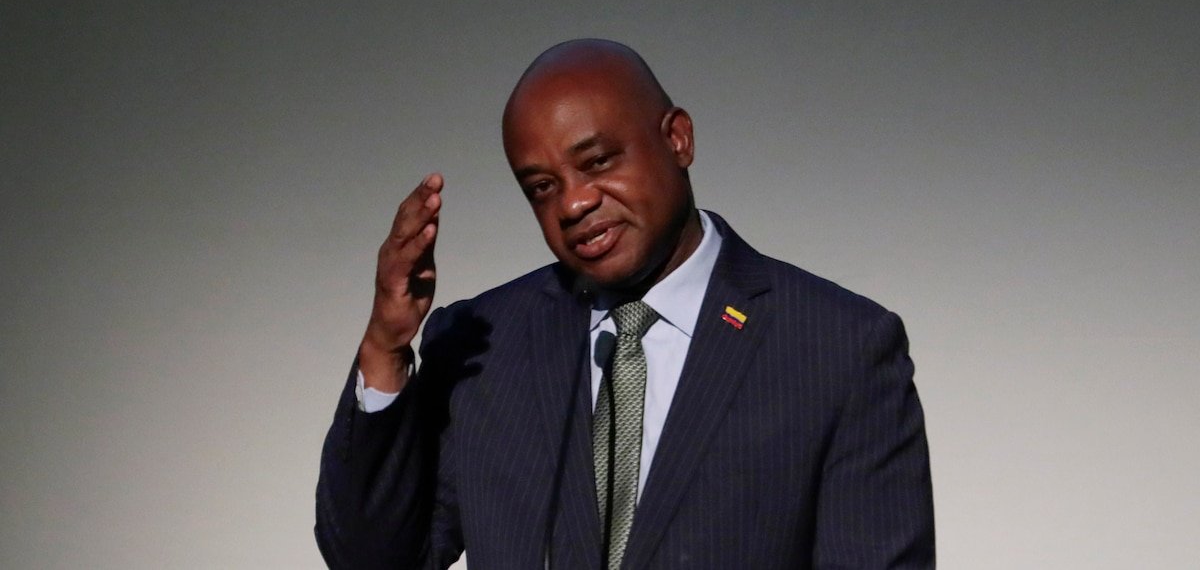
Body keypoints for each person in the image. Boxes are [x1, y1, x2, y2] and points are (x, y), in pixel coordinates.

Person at [315, 39, 935, 569]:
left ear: (678, 138)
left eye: (597, 162)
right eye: (542, 187)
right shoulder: (485, 345)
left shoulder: (839, 348)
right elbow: (373, 559)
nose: (573, 203)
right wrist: (385, 347)